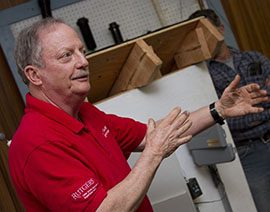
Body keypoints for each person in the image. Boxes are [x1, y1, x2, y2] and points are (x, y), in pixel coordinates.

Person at [8, 17, 268, 212]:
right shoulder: (36, 143)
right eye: (67, 55)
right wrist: (154, 154)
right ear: (34, 75)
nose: (83, 61)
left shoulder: (85, 113)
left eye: (82, 52)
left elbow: (159, 134)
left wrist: (218, 109)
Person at [189, 9, 270, 212]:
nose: (206, 39)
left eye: (209, 31)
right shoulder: (203, 76)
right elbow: (221, 122)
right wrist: (263, 109)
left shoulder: (254, 58)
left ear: (221, 29)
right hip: (248, 153)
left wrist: (251, 113)